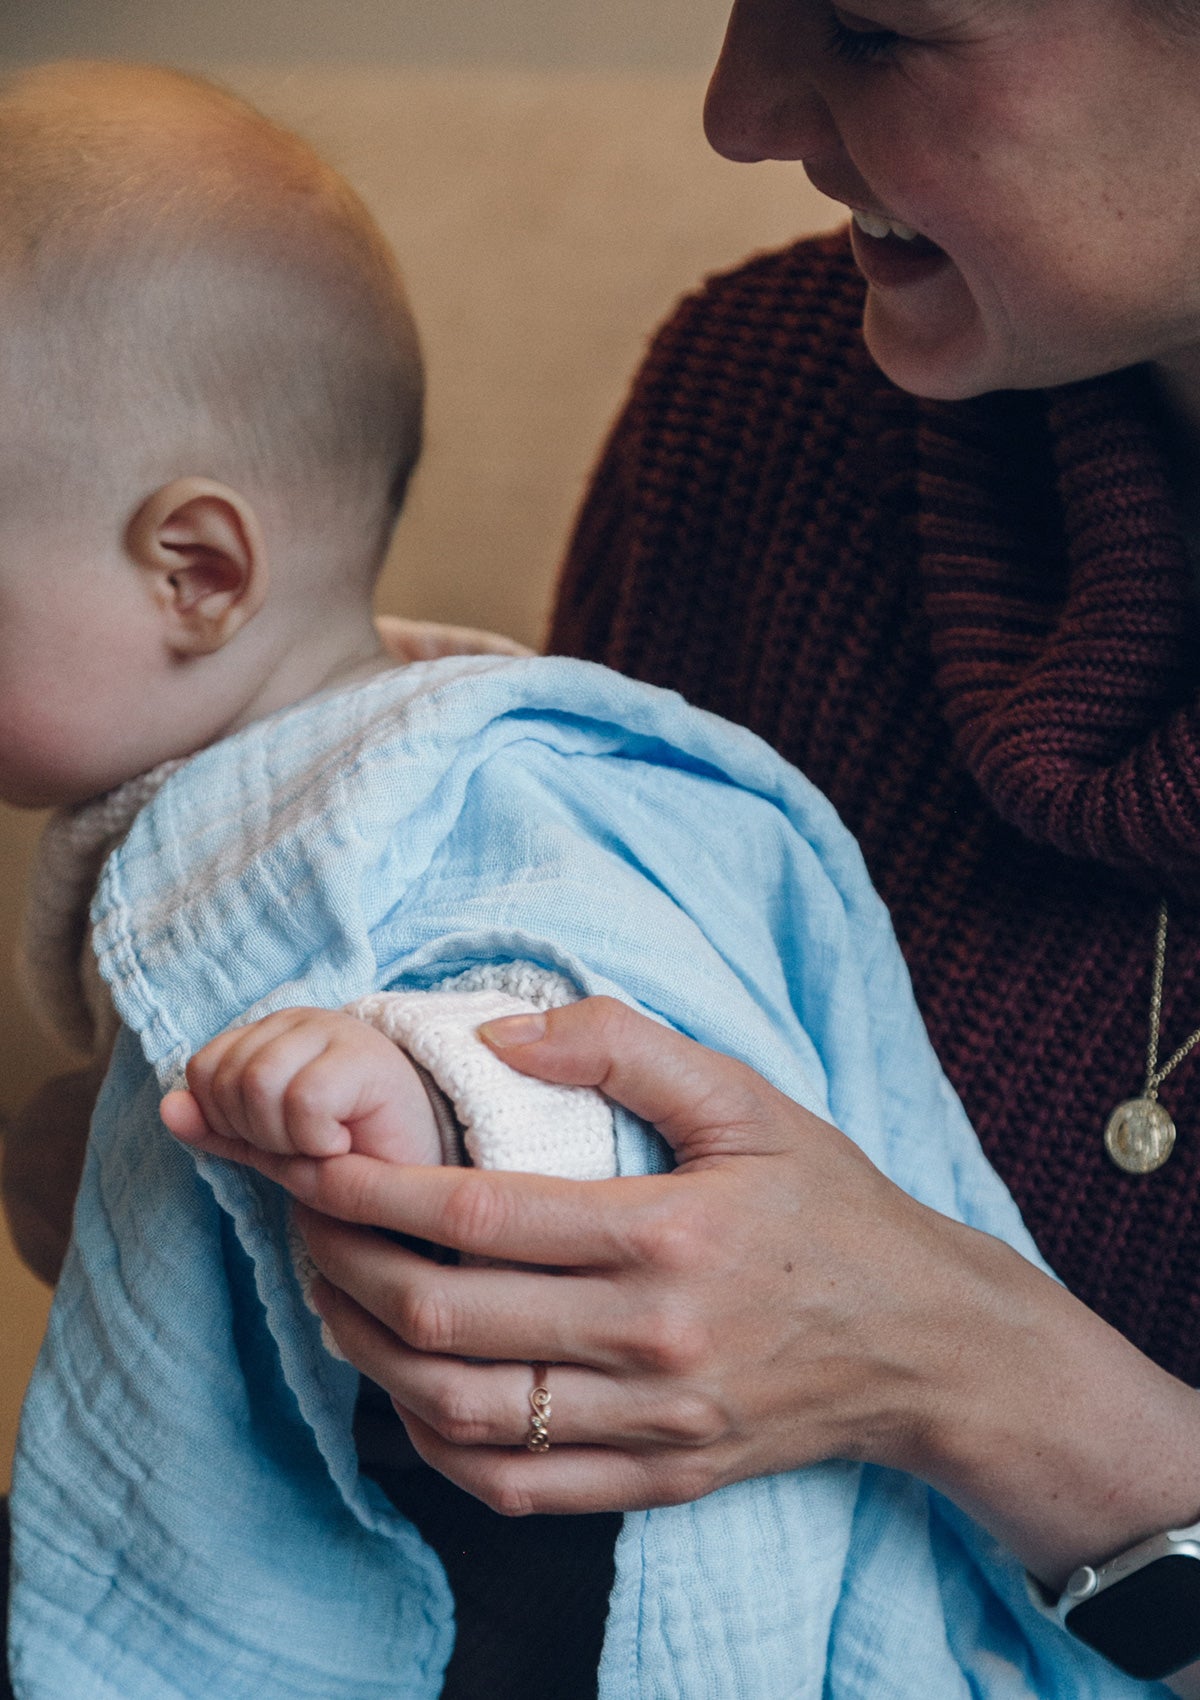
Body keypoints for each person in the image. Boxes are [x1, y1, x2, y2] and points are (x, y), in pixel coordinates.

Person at [2, 51, 1142, 1700]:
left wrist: (403, 1087)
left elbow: (583, 1047)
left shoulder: (463, 780)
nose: (741, 108)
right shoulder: (751, 417)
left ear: (197, 569)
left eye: (883, 24)